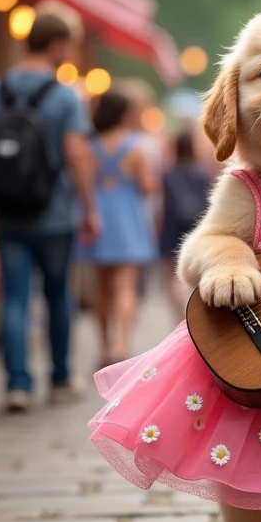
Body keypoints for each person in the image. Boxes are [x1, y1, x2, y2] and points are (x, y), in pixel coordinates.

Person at [0, 0, 98, 412]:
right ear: (58, 43)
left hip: (7, 212)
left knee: (14, 298)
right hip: (54, 213)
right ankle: (60, 378)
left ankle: (17, 384)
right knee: (58, 294)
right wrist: (90, 207)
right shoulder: (64, 97)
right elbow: (76, 155)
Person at [82, 88, 158, 365]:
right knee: (126, 286)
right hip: (128, 217)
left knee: (101, 287)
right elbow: (148, 186)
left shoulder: (90, 147)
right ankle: (120, 345)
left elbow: (84, 185)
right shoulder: (135, 148)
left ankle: (104, 346)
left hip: (99, 217)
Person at [160, 131, 210, 317]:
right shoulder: (201, 173)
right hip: (196, 225)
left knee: (173, 276)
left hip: (172, 227)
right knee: (194, 274)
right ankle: (191, 311)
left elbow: (164, 206)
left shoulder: (167, 174)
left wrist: (159, 230)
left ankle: (179, 315)